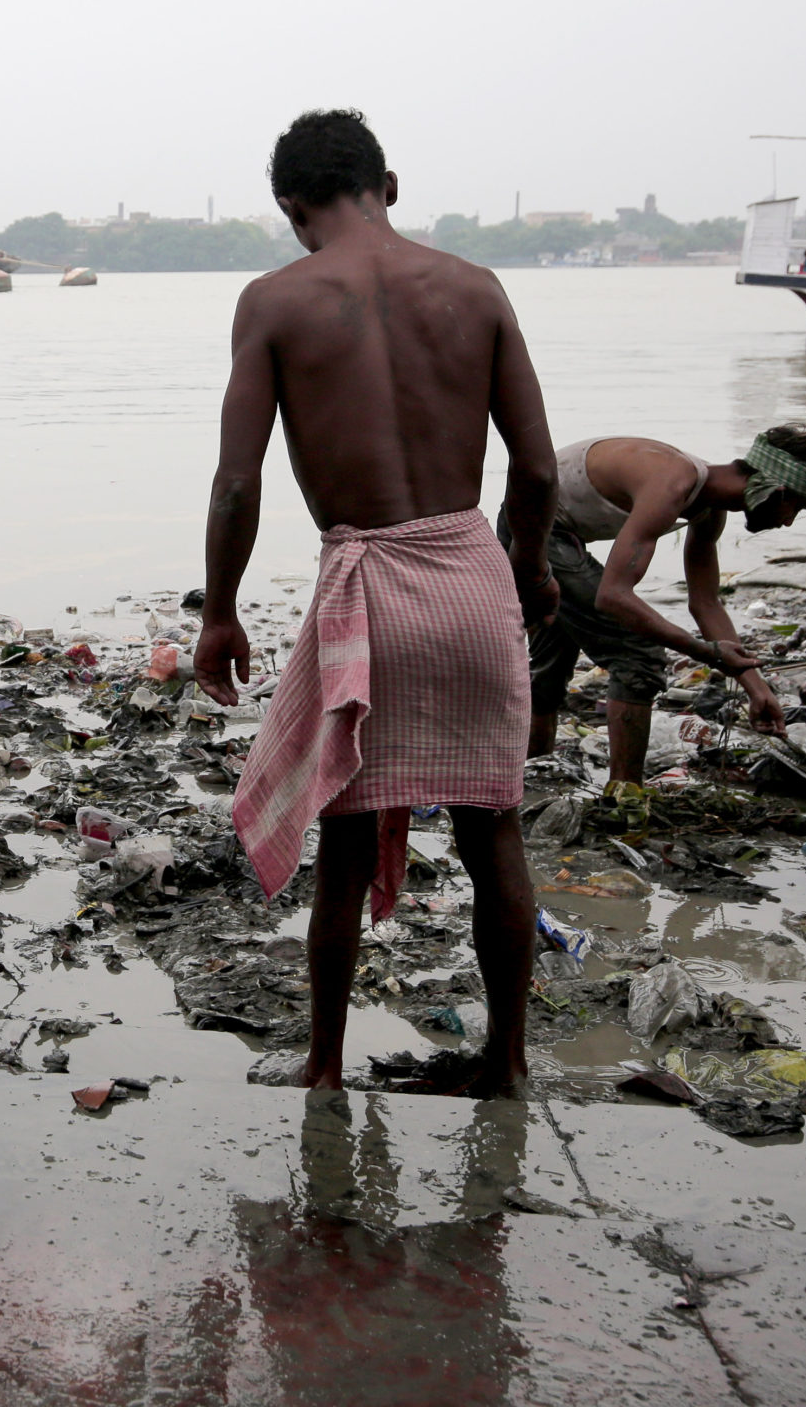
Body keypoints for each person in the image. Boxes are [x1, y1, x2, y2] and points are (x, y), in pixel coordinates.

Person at [197, 108, 560, 1097]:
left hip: (368, 590)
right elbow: (534, 469)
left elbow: (237, 483)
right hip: (471, 574)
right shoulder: (475, 288)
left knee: (348, 838)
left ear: (290, 208)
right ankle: (508, 1063)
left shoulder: (273, 301)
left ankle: (323, 1065)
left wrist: (219, 611)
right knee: (492, 829)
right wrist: (529, 569)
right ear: (387, 185)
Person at [516, 426, 806, 787]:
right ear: (775, 491)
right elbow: (613, 596)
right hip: (530, 529)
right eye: (797, 506)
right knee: (638, 653)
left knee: (551, 665)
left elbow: (706, 603)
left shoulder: (708, 505)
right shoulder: (673, 484)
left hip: (552, 528)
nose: (789, 521)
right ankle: (624, 795)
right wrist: (705, 651)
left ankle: (530, 777)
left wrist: (757, 689)